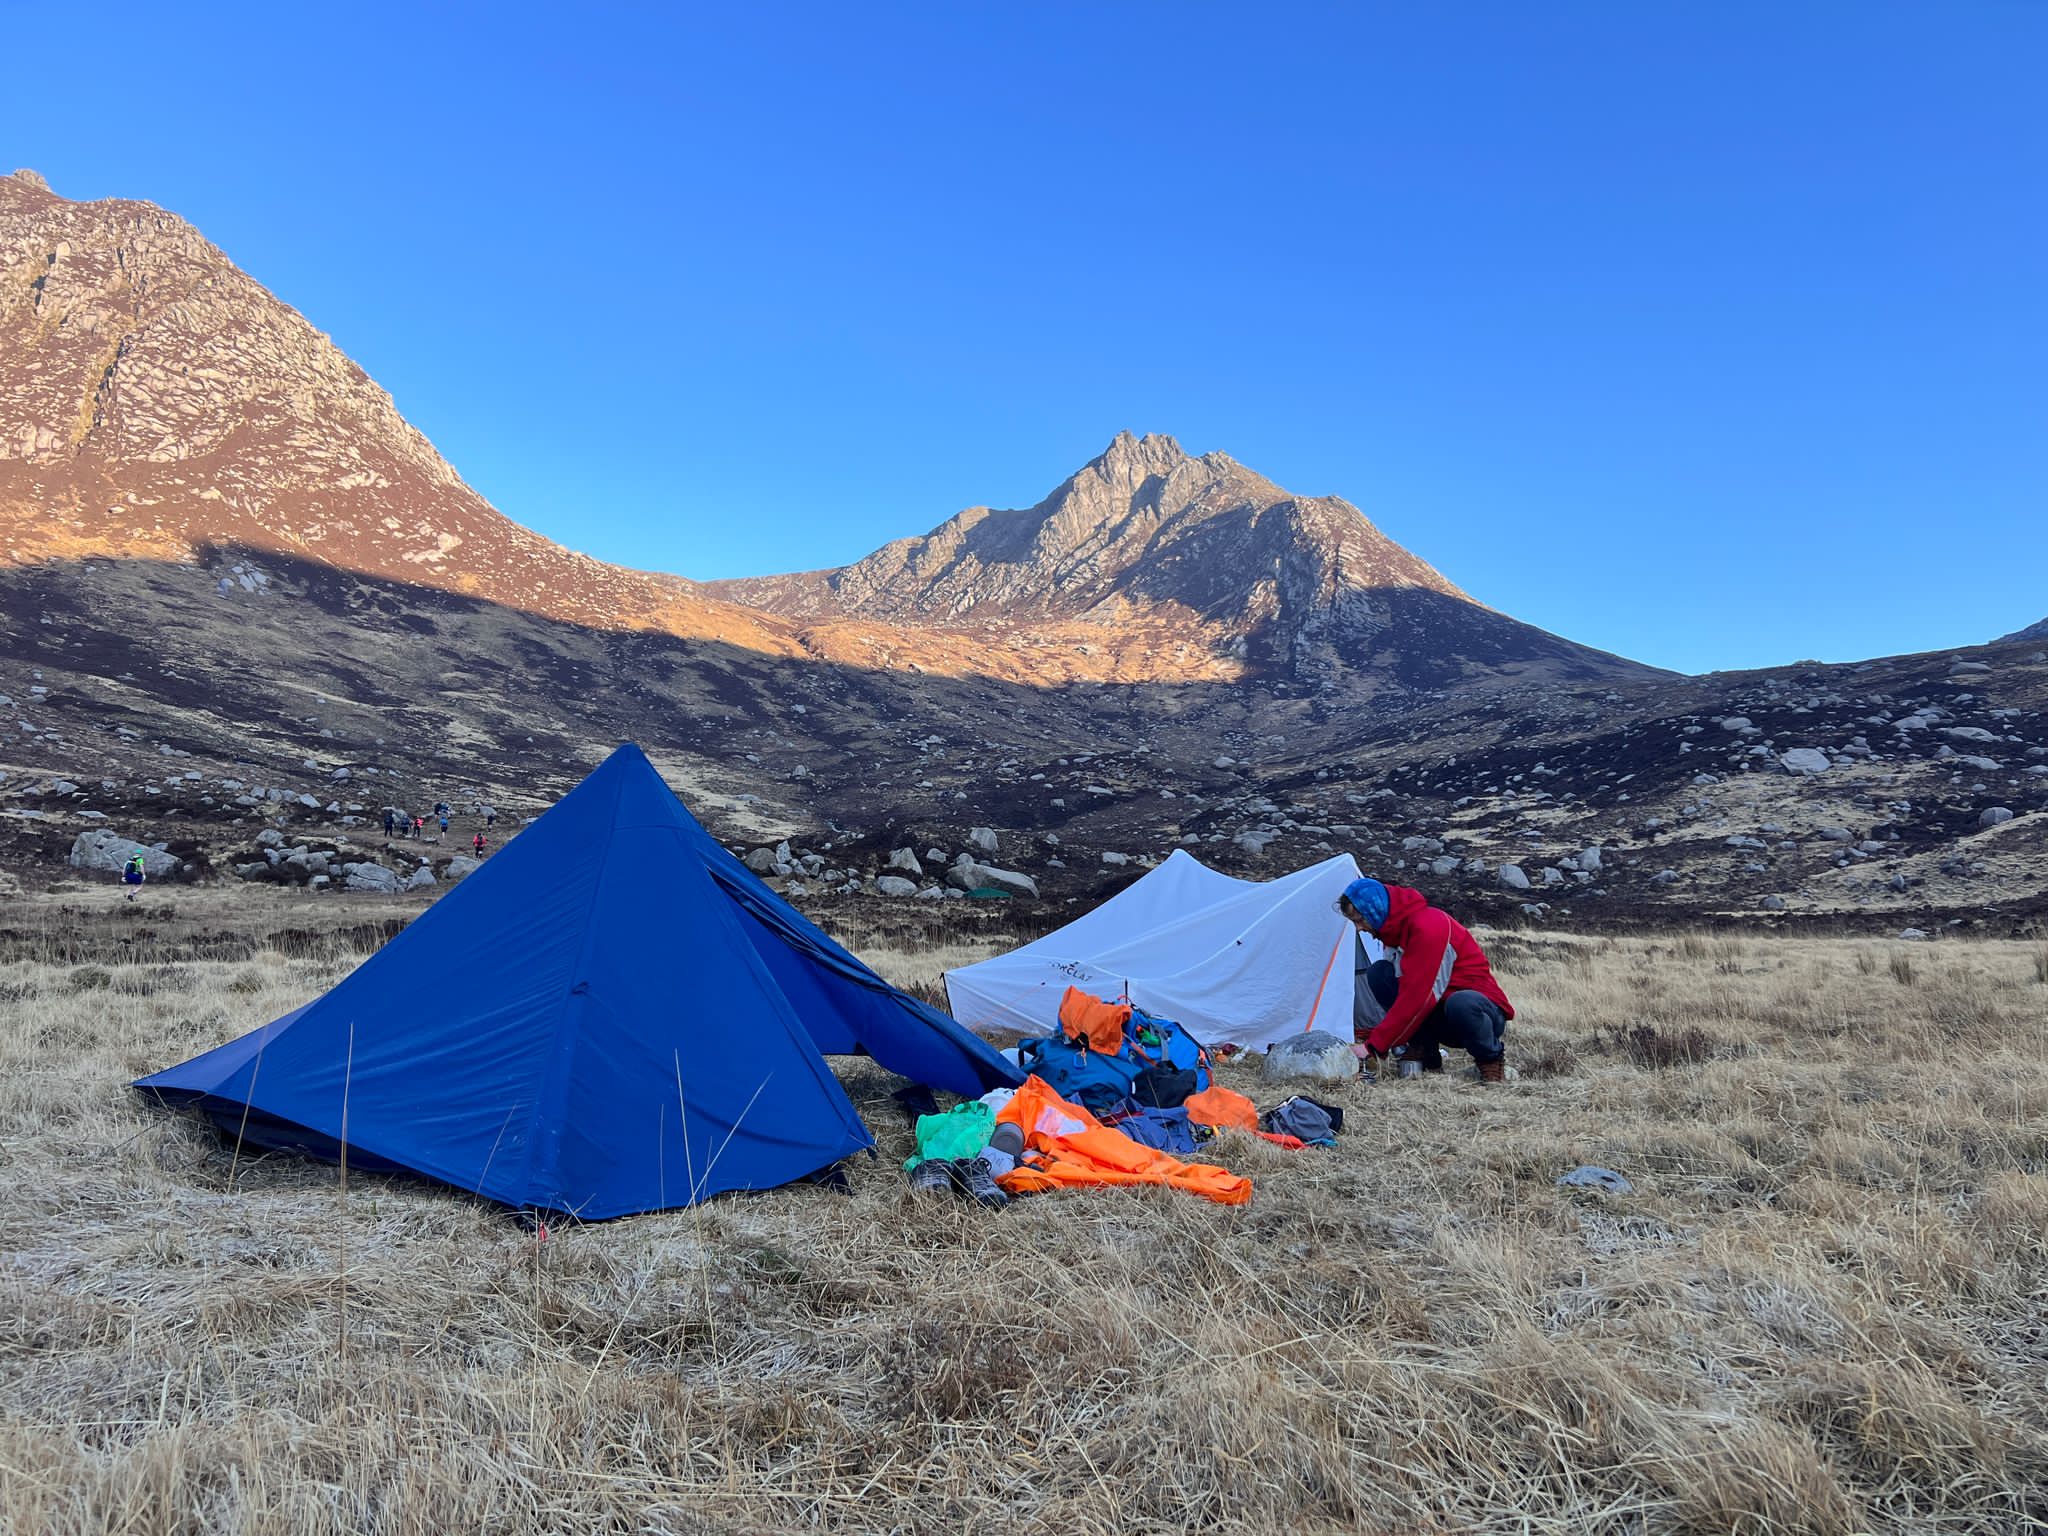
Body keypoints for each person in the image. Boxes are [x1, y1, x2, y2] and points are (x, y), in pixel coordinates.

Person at [1336, 877, 1513, 1083]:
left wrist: (1373, 1046)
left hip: (1479, 1015)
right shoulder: (1393, 935)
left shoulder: (1429, 927)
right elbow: (1407, 993)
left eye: (1360, 920)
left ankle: (1490, 1061)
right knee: (1379, 973)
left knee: (1461, 1002)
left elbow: (1417, 998)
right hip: (1441, 1014)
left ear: (1376, 911)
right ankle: (1425, 1052)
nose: (1359, 929)